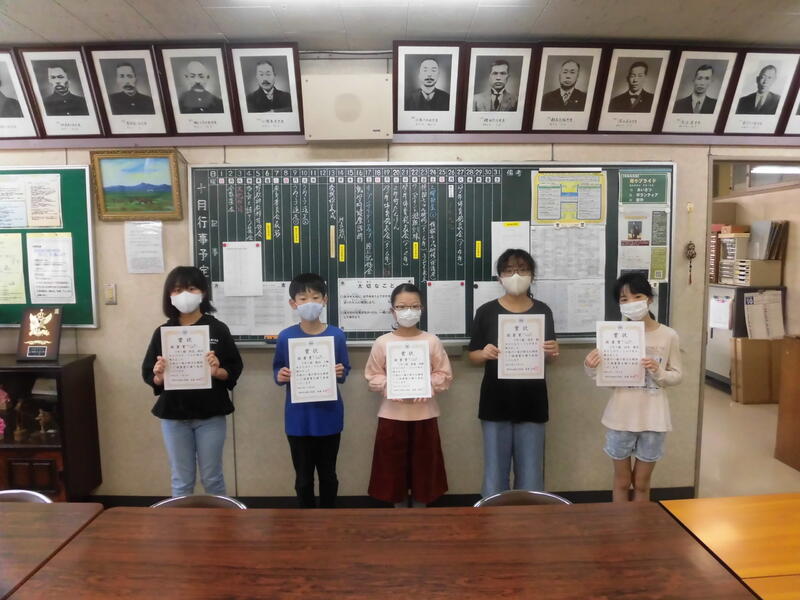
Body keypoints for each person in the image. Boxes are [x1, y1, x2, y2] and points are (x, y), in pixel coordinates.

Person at [141, 266, 243, 497]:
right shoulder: (163, 332)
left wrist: (217, 371)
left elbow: (234, 368)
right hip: (174, 416)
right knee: (181, 480)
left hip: (211, 415)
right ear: (169, 295)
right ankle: (181, 521)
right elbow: (151, 375)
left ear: (203, 293)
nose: (184, 295)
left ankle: (221, 520)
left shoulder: (217, 329)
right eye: (177, 290)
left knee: (212, 478)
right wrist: (159, 375)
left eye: (191, 288)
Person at [468, 249, 559, 498]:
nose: (515, 275)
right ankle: (492, 517)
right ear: (499, 277)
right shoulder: (486, 311)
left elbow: (549, 355)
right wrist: (484, 353)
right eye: (508, 270)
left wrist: (552, 351)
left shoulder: (543, 310)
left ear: (532, 275)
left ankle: (528, 518)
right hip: (495, 400)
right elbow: (472, 356)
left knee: (531, 471)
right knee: (494, 471)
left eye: (522, 269)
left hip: (532, 400)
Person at [583, 272, 682, 503]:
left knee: (642, 483)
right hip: (620, 417)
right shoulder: (614, 335)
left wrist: (658, 372)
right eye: (624, 299)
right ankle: (620, 524)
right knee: (621, 481)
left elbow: (677, 376)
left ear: (649, 299)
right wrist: (590, 366)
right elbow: (605, 378)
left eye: (637, 296)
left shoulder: (668, 335)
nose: (631, 303)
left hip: (653, 419)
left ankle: (640, 524)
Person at [365, 283, 453, 508]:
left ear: (422, 309)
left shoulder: (431, 341)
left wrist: (427, 385)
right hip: (392, 416)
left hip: (425, 415)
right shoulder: (382, 342)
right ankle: (400, 517)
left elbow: (444, 374)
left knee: (425, 471)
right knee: (393, 473)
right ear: (392, 310)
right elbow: (372, 376)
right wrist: (390, 386)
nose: (408, 311)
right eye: (402, 306)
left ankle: (421, 517)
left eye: (414, 306)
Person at [273, 273, 350, 508]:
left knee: (328, 474)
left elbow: (345, 369)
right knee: (303, 478)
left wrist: (340, 372)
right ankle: (305, 519)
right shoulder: (286, 336)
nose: (310, 303)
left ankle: (328, 518)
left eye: (315, 297)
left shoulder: (336, 335)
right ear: (293, 303)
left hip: (328, 415)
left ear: (325, 300)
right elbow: (278, 368)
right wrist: (280, 375)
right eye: (303, 298)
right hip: (298, 419)